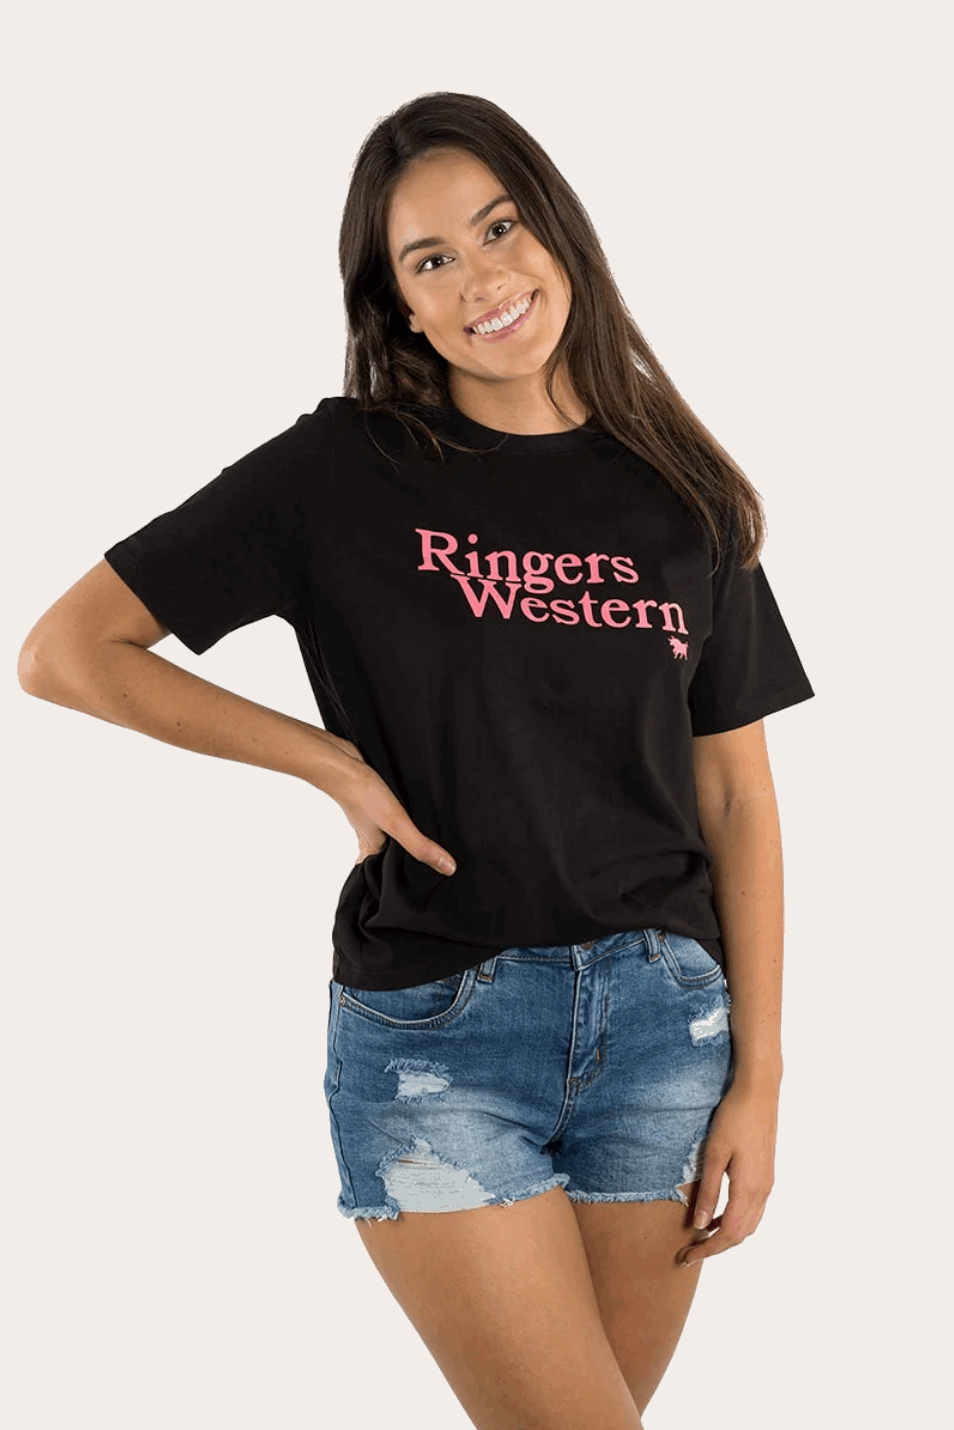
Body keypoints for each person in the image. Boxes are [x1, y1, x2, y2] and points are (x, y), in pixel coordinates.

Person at [18, 91, 815, 1430]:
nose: (481, 277)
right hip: (443, 1030)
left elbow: (733, 792)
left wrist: (760, 1076)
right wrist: (330, 761)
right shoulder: (343, 470)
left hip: (661, 1035)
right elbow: (68, 649)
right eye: (429, 259)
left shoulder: (683, 494)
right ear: (397, 305)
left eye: (499, 229)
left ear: (557, 234)